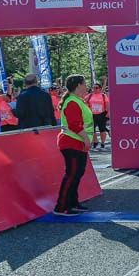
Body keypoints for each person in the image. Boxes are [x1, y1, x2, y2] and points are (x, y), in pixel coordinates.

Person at [54, 75, 94, 216]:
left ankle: (73, 202)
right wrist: (87, 140)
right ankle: (61, 207)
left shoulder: (78, 100)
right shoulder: (72, 102)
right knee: (71, 174)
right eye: (84, 83)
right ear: (78, 85)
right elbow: (74, 125)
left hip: (77, 142)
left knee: (77, 174)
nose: (86, 85)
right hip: (71, 141)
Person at [85, 83, 110, 148]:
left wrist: (108, 113)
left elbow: (107, 104)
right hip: (92, 114)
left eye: (96, 88)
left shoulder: (103, 95)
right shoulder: (90, 95)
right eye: (93, 88)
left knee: (102, 129)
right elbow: (83, 101)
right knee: (92, 129)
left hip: (102, 114)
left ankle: (102, 142)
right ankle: (95, 141)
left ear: (100, 89)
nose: (94, 89)